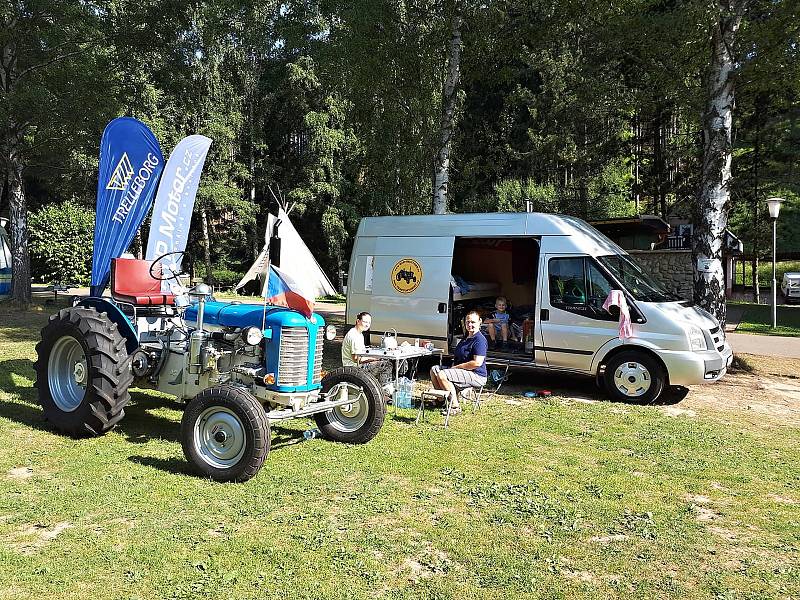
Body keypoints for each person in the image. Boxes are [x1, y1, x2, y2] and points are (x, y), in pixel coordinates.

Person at [430, 310, 488, 415]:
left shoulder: (480, 340)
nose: (470, 324)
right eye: (467, 322)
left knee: (442, 374)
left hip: (477, 375)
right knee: (434, 370)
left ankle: (455, 406)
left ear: (480, 322)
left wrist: (457, 368)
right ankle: (441, 400)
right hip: (462, 370)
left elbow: (477, 363)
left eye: (473, 322)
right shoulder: (466, 337)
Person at [341, 311, 398, 397]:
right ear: (358, 321)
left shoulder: (359, 334)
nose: (367, 324)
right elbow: (356, 359)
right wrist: (376, 358)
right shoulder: (353, 336)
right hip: (353, 367)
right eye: (365, 322)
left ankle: (380, 393)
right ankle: (384, 394)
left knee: (383, 363)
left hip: (357, 364)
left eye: (369, 322)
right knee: (387, 365)